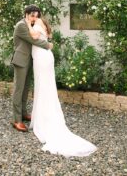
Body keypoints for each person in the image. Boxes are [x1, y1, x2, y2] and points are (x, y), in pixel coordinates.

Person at [27, 16, 97, 157]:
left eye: (35, 13)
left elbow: (34, 36)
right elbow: (48, 36)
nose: (33, 16)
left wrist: (29, 24)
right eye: (31, 14)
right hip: (44, 56)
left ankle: (44, 118)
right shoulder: (43, 23)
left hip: (42, 57)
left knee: (44, 87)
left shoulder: (37, 23)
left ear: (38, 15)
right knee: (44, 87)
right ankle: (42, 115)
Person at [11, 5, 53, 132]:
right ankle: (16, 120)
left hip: (30, 60)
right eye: (32, 15)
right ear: (26, 14)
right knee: (19, 90)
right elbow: (33, 40)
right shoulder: (21, 25)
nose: (34, 18)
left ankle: (23, 114)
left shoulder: (31, 25)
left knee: (25, 89)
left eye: (36, 16)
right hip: (21, 60)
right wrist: (48, 45)